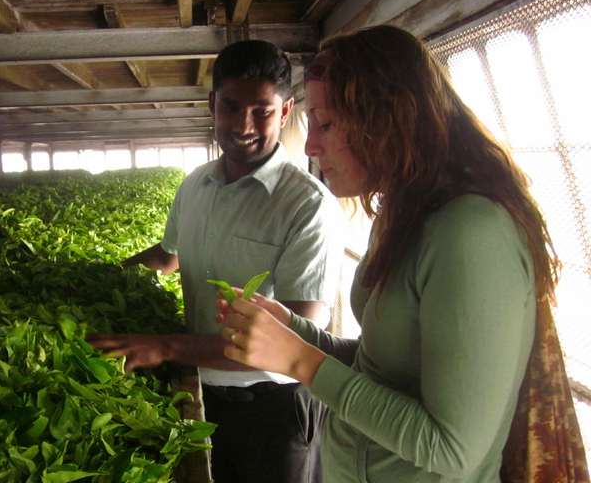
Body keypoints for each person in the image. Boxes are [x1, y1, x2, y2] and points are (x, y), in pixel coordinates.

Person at [217, 25, 565, 483]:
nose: (311, 145)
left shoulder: (471, 233)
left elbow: (451, 447)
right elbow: (385, 366)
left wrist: (300, 361)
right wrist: (295, 333)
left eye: (325, 122)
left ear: (386, 119)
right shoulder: (403, 212)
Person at [89, 39, 344, 483]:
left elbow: (294, 341)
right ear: (212, 105)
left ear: (285, 112)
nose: (243, 125)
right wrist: (98, 279)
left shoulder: (307, 206)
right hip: (200, 395)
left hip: (272, 410)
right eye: (230, 107)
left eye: (262, 111)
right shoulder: (194, 186)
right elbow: (166, 257)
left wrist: (165, 345)